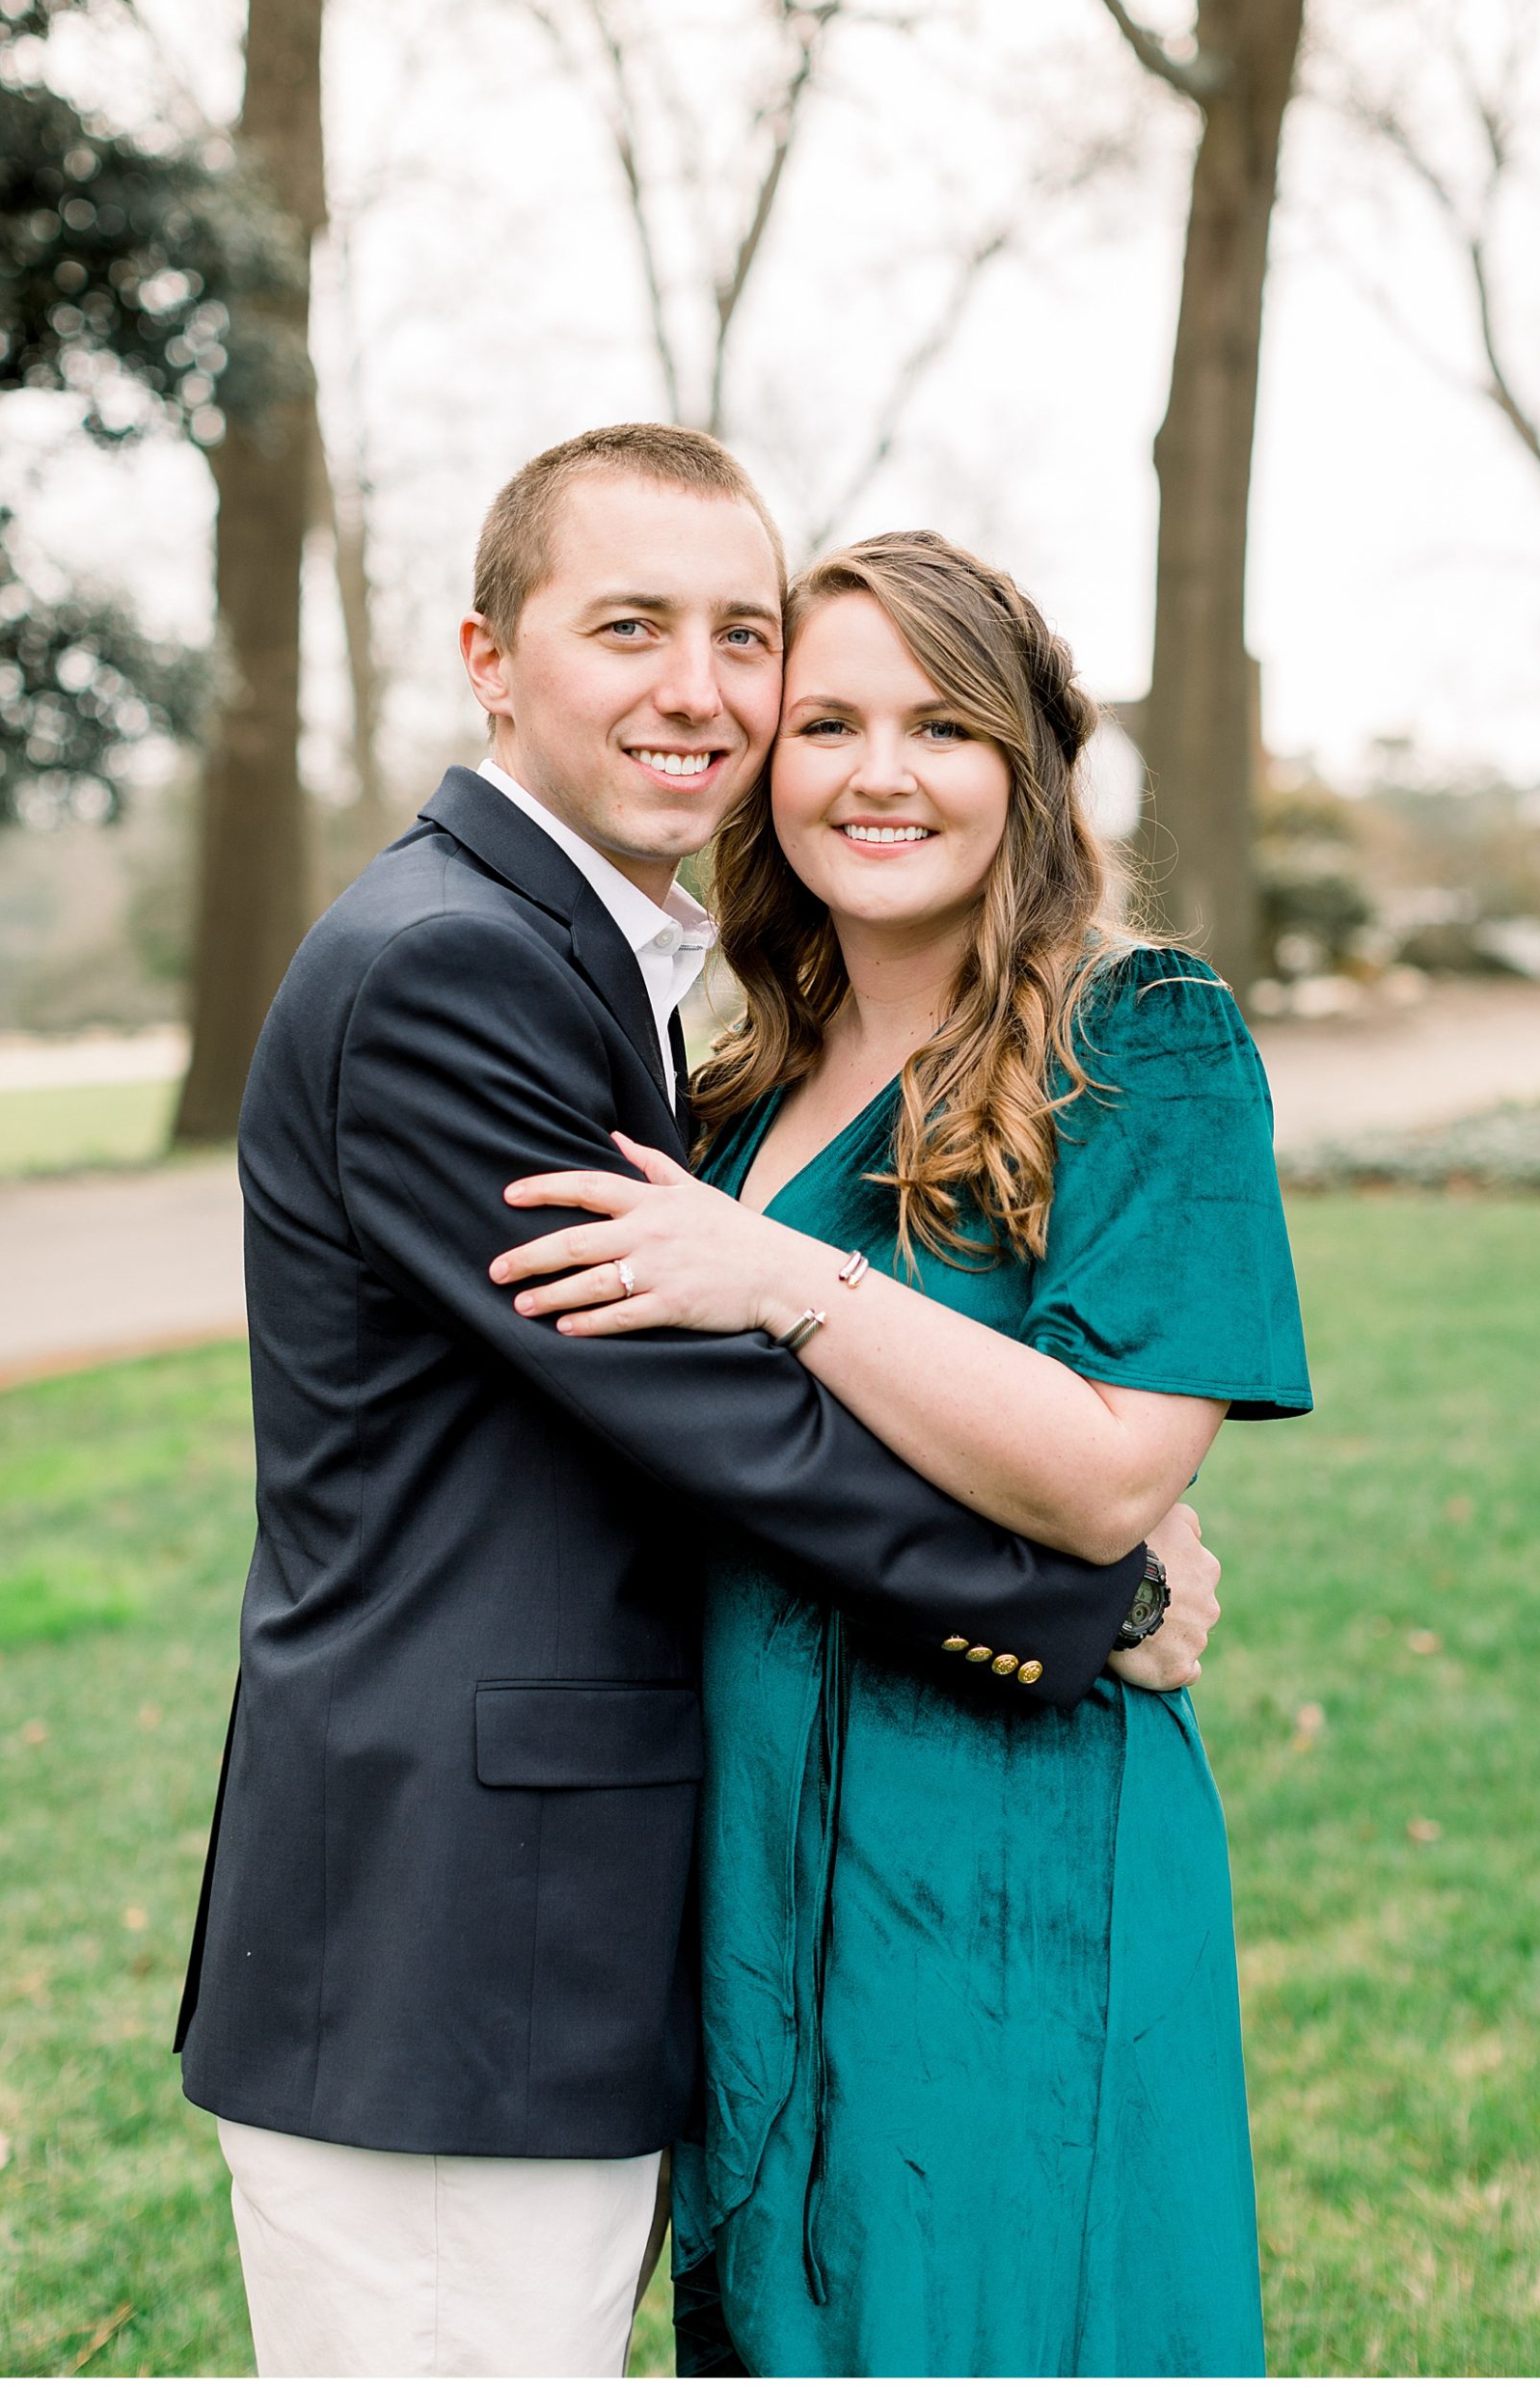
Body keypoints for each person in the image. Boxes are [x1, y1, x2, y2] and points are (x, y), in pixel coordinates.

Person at [173, 431, 1222, 2379]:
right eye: (628, 624)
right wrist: (1088, 1586)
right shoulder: (452, 964)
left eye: (740, 632)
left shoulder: (618, 970)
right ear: (490, 655)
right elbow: (708, 1411)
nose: (700, 688)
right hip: (450, 1938)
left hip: (577, 1916)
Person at [493, 529, 1313, 2376]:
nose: (877, 773)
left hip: (1002, 1838)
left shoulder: (1144, 1043)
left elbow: (1110, 1469)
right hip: (739, 1837)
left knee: (994, 2309)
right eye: (830, 723)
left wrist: (789, 1282)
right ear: (764, 763)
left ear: (1026, 770)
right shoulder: (722, 1094)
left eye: (941, 727)